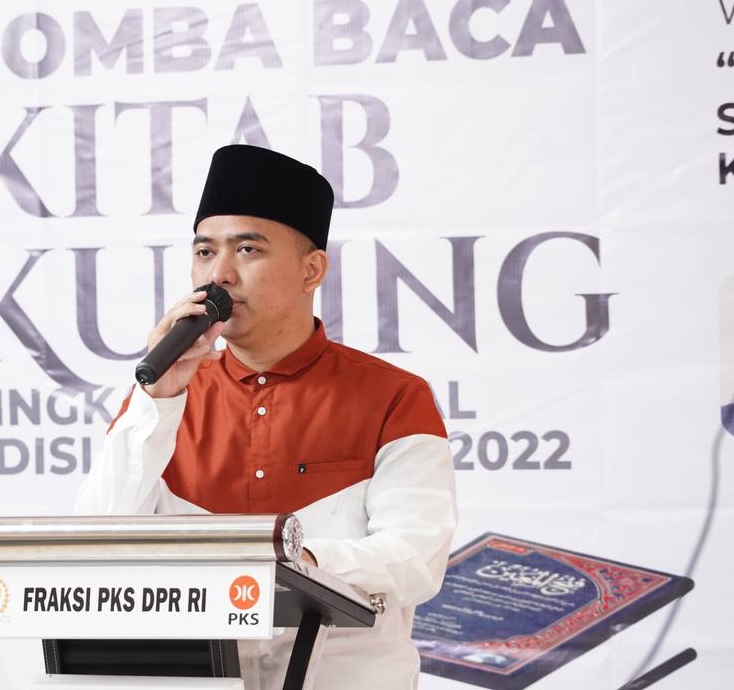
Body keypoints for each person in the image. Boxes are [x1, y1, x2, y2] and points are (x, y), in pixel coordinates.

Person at [75, 144, 458, 690]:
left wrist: (283, 565)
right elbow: (95, 539)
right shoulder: (163, 395)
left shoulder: (395, 397)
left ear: (311, 270)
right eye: (204, 252)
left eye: (247, 249)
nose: (220, 275)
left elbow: (413, 557)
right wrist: (156, 401)